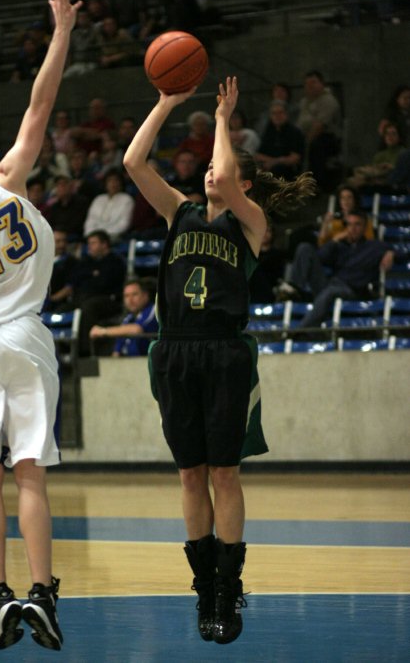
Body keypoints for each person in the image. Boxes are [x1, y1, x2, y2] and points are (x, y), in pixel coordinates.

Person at [123, 76, 316, 644]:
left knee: (224, 472)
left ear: (246, 184)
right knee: (189, 473)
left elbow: (227, 176)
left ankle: (230, 588)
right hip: (175, 349)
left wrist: (225, 119)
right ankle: (204, 587)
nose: (210, 173)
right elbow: (135, 162)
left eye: (222, 169)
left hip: (226, 353)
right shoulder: (178, 213)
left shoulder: (251, 224)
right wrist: (164, 105)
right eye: (207, 166)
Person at [0, 0, 81, 651]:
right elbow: (40, 104)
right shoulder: (7, 180)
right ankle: (42, 592)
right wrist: (61, 30)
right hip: (25, 333)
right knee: (28, 467)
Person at [275, 211, 394, 327]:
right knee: (304, 247)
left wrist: (390, 253)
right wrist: (334, 241)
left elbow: (401, 252)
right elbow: (320, 257)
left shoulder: (374, 246)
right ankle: (295, 288)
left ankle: (299, 332)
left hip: (352, 289)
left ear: (364, 227)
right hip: (330, 283)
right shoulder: (340, 246)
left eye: (357, 224)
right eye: (349, 224)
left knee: (328, 293)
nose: (352, 228)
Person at [71, 229, 127, 355]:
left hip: (109, 300)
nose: (89, 246)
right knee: (63, 308)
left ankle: (85, 352)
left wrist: (90, 277)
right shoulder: (87, 261)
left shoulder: (115, 261)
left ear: (104, 244)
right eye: (89, 243)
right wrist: (93, 274)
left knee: (88, 307)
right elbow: (75, 279)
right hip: (85, 298)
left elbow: (105, 283)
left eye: (93, 243)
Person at [296, 70, 342, 192]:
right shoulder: (304, 102)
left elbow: (320, 126)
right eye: (307, 83)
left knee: (316, 146)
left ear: (322, 83)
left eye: (313, 82)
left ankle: (317, 185)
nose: (310, 86)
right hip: (304, 136)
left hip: (326, 138)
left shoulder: (328, 101)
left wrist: (305, 142)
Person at [89, 277, 158, 355]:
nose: (130, 300)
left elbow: (136, 330)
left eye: (134, 294)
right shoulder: (128, 318)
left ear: (145, 296)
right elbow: (116, 352)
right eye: (126, 296)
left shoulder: (153, 310)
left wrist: (103, 331)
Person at [347, 122, 407, 192]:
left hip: (392, 180)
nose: (390, 136)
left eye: (393, 134)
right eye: (387, 134)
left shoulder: (404, 154)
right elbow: (373, 171)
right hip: (375, 178)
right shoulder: (379, 155)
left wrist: (391, 167)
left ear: (399, 136)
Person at [256, 100, 305, 181]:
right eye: (274, 113)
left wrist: (274, 162)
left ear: (286, 114)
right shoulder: (269, 131)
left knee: (277, 169)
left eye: (280, 112)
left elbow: (294, 158)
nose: (277, 116)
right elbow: (258, 155)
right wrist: (272, 162)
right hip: (269, 167)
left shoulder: (295, 132)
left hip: (289, 170)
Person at [84, 168, 134, 238]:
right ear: (105, 183)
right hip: (94, 237)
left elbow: (124, 224)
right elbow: (90, 221)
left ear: (121, 182)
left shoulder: (127, 200)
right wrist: (92, 235)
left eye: (116, 180)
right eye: (110, 180)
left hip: (114, 237)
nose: (113, 184)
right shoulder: (98, 199)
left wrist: (104, 236)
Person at [43, 229, 80, 312]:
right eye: (58, 241)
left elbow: (69, 288)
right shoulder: (41, 260)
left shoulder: (71, 262)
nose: (62, 244)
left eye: (64, 241)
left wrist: (51, 300)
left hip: (56, 302)